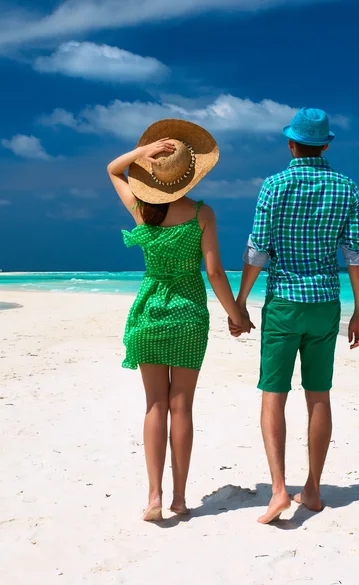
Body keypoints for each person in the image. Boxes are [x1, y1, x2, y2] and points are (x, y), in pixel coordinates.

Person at [107, 119, 252, 521]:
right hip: (189, 312)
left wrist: (141, 154)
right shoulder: (202, 213)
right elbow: (216, 273)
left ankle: (153, 497)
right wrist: (236, 315)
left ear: (153, 174)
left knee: (154, 405)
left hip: (150, 309)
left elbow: (112, 170)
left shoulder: (141, 209)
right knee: (181, 407)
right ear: (189, 175)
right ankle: (180, 500)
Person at [231, 108, 359, 524]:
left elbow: (258, 249)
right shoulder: (348, 188)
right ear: (326, 144)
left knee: (274, 394)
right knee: (319, 395)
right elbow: (356, 253)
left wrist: (240, 301)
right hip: (325, 302)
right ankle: (311, 488)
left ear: (291, 144)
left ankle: (277, 490)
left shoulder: (275, 185)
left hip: (285, 303)